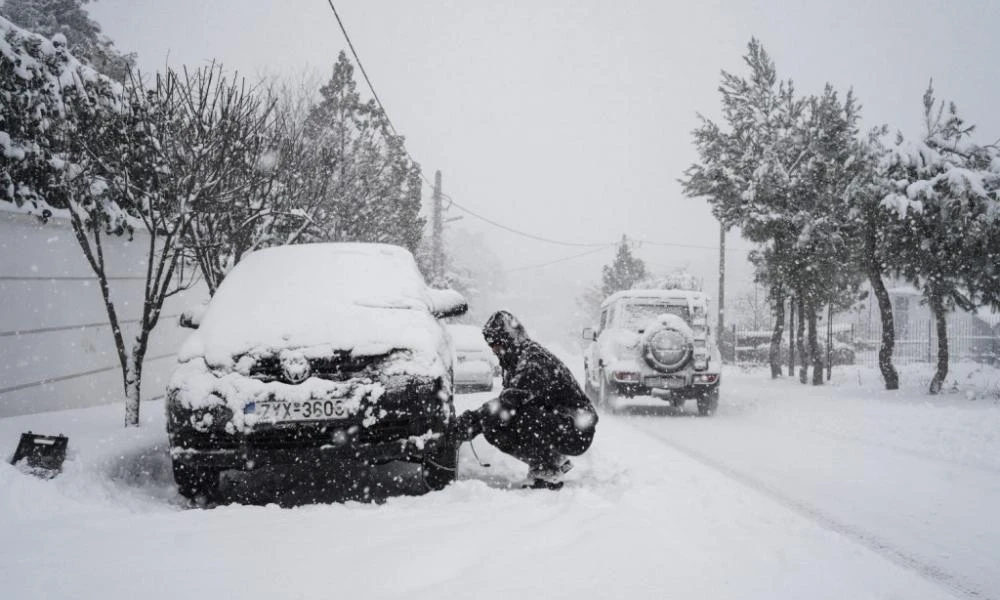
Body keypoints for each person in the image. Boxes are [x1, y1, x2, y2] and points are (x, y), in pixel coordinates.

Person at [450, 310, 598, 489]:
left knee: (525, 415)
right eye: (490, 344)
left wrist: (467, 423)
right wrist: (476, 422)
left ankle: (547, 470)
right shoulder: (514, 359)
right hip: (559, 421)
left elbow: (509, 402)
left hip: (577, 428)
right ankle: (554, 460)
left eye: (495, 343)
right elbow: (505, 401)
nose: (493, 349)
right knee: (494, 425)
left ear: (507, 339)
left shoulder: (532, 361)